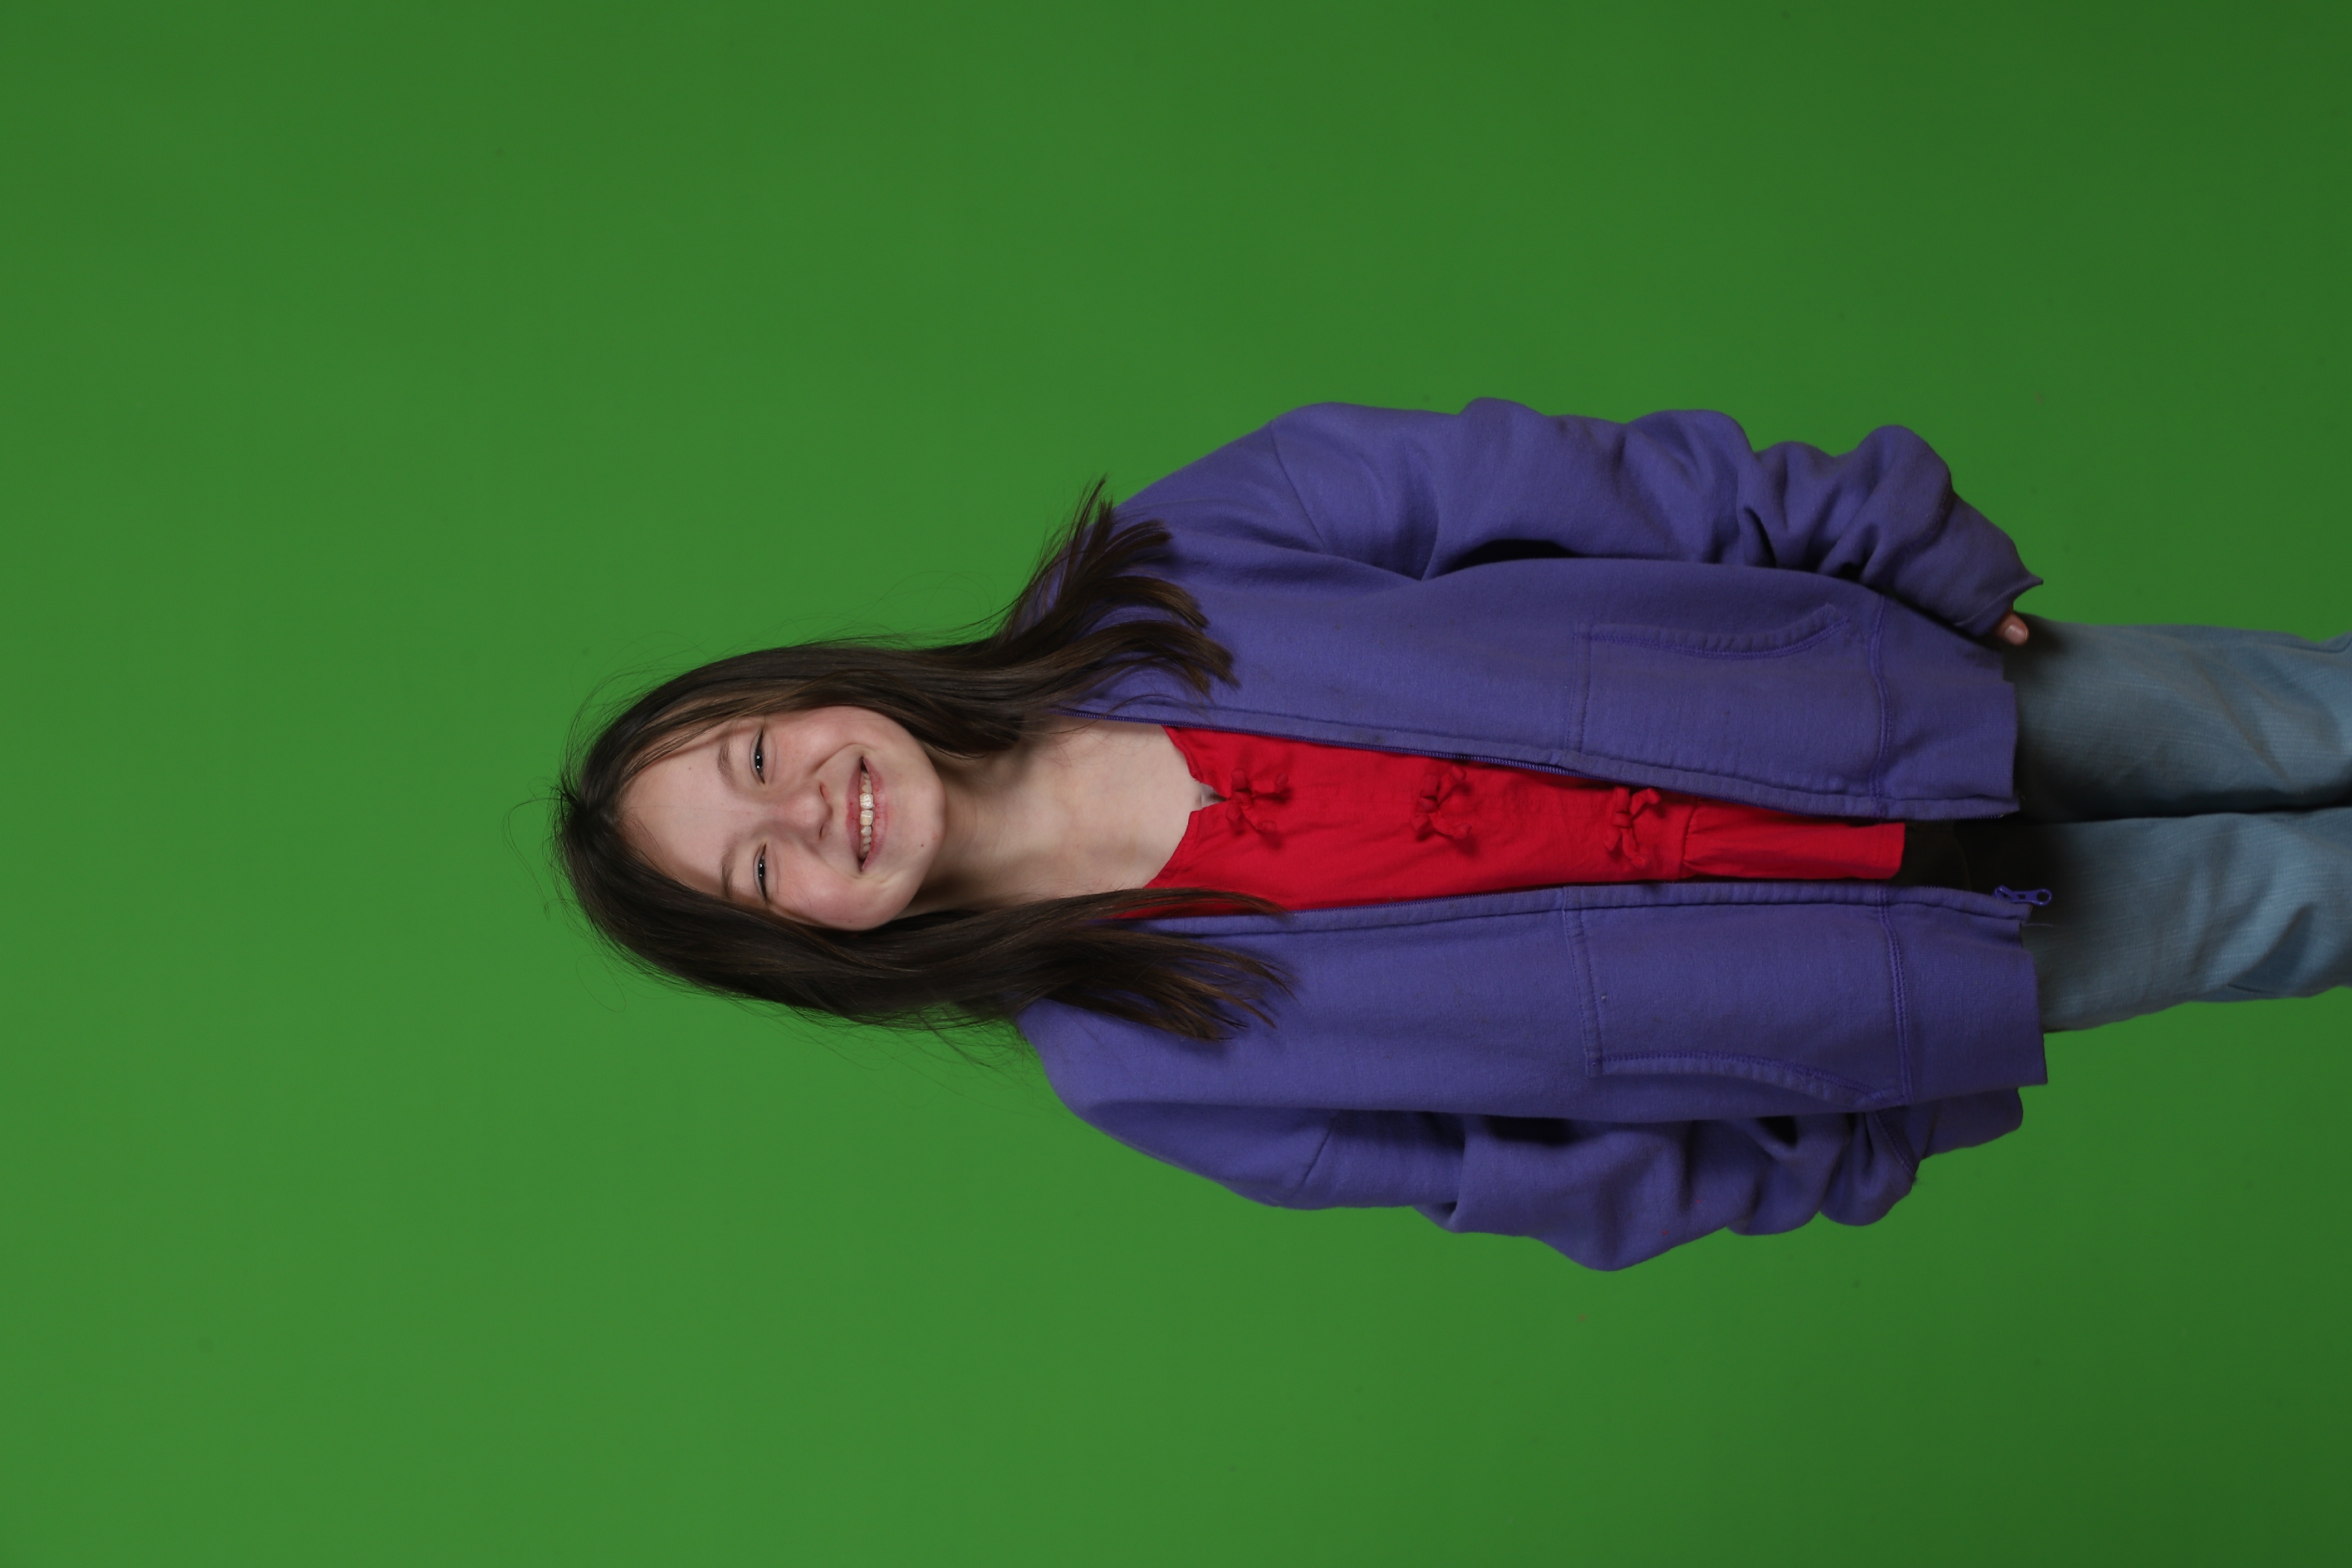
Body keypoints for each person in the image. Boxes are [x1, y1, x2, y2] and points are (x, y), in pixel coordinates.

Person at [555, 400, 2352, 1268]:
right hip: (1878, 985)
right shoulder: (1138, 1066)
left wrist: (1904, 552)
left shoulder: (1174, 560)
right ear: (805, 945)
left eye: (759, 755)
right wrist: (1853, 1116)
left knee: (2305, 717)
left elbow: (1595, 480)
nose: (808, 809)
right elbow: (1534, 1175)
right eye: (759, 867)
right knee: (2286, 911)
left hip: (1881, 689)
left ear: (811, 688)